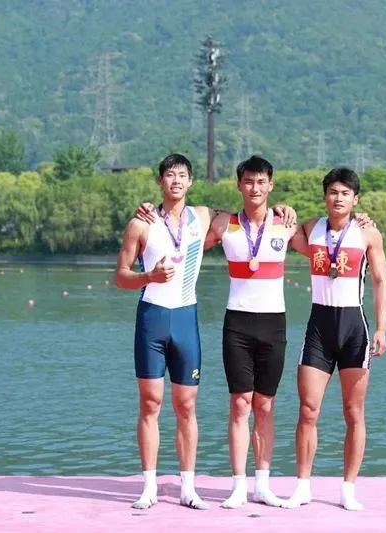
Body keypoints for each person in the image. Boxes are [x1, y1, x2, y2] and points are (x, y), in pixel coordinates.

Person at [203, 155, 308, 508]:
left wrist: (361, 221)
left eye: (261, 182)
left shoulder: (285, 224)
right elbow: (186, 235)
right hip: (237, 324)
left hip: (273, 324)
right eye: (248, 181)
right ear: (239, 185)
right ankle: (238, 485)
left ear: (271, 185)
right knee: (239, 404)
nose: (255, 188)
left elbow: (322, 238)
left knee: (264, 404)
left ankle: (262, 484)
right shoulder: (224, 223)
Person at [282, 167, 386, 511]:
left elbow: (380, 281)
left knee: (353, 411)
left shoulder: (367, 233)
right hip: (319, 328)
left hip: (354, 328)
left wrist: (382, 328)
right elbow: (284, 225)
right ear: (325, 196)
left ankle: (348, 489)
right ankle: (302, 487)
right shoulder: (312, 228)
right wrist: (283, 209)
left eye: (345, 193)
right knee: (308, 409)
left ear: (355, 199)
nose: (338, 198)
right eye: (333, 192)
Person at [114, 154, 213, 510]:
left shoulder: (203, 217)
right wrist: (149, 277)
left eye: (182, 175)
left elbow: (249, 214)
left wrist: (282, 210)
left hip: (186, 319)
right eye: (169, 175)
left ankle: (188, 488)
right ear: (160, 181)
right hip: (152, 320)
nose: (176, 180)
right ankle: (149, 488)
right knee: (150, 403)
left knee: (186, 405)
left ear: (191, 181)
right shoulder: (141, 223)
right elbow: (120, 276)